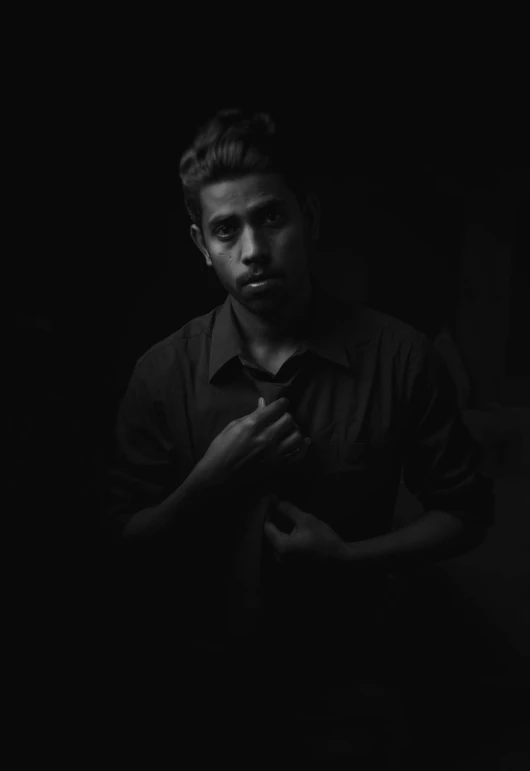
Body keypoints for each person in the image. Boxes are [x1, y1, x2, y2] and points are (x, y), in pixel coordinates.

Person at [105, 108, 495, 764]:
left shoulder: (401, 358)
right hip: (196, 689)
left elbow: (467, 511)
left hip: (350, 681)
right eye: (227, 230)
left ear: (308, 218)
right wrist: (210, 479)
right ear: (202, 245)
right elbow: (117, 542)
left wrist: (351, 558)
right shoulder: (161, 373)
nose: (253, 249)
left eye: (271, 218)